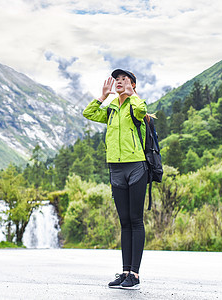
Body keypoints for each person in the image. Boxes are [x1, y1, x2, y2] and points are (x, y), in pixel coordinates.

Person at [82, 69, 147, 290]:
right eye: (117, 80)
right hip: (116, 168)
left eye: (124, 80)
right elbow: (88, 113)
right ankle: (125, 271)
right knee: (124, 221)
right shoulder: (110, 110)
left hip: (136, 166)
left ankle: (135, 275)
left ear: (133, 84)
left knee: (136, 221)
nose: (119, 82)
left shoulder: (135, 106)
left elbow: (141, 110)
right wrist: (102, 96)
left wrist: (132, 94)